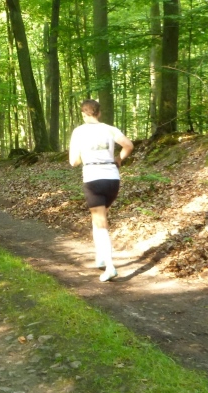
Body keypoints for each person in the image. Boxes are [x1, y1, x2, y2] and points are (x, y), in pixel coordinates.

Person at [68, 99, 134, 282]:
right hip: (112, 179)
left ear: (83, 114)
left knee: (100, 223)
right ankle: (101, 257)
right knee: (99, 219)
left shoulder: (79, 131)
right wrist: (119, 159)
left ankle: (110, 266)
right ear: (99, 113)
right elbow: (129, 145)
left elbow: (73, 162)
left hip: (93, 178)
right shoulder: (110, 129)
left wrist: (83, 157)